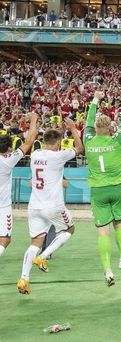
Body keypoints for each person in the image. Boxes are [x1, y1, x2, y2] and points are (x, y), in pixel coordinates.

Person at [17, 119, 83, 295]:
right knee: (69, 229)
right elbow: (80, 149)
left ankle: (24, 278)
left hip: (34, 206)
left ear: (44, 141)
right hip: (52, 205)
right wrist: (73, 129)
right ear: (59, 142)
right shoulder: (59, 156)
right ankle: (43, 257)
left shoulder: (36, 154)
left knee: (34, 243)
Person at [84, 88, 121, 287]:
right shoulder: (117, 139)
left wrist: (96, 99)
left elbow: (87, 122)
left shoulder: (88, 139)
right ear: (110, 128)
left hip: (99, 190)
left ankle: (107, 270)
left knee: (103, 232)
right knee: (119, 224)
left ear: (96, 127)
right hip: (117, 187)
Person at [0, 113, 38, 258]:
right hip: (2, 206)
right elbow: (28, 142)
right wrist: (33, 120)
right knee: (5, 238)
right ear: (9, 149)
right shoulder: (8, 160)